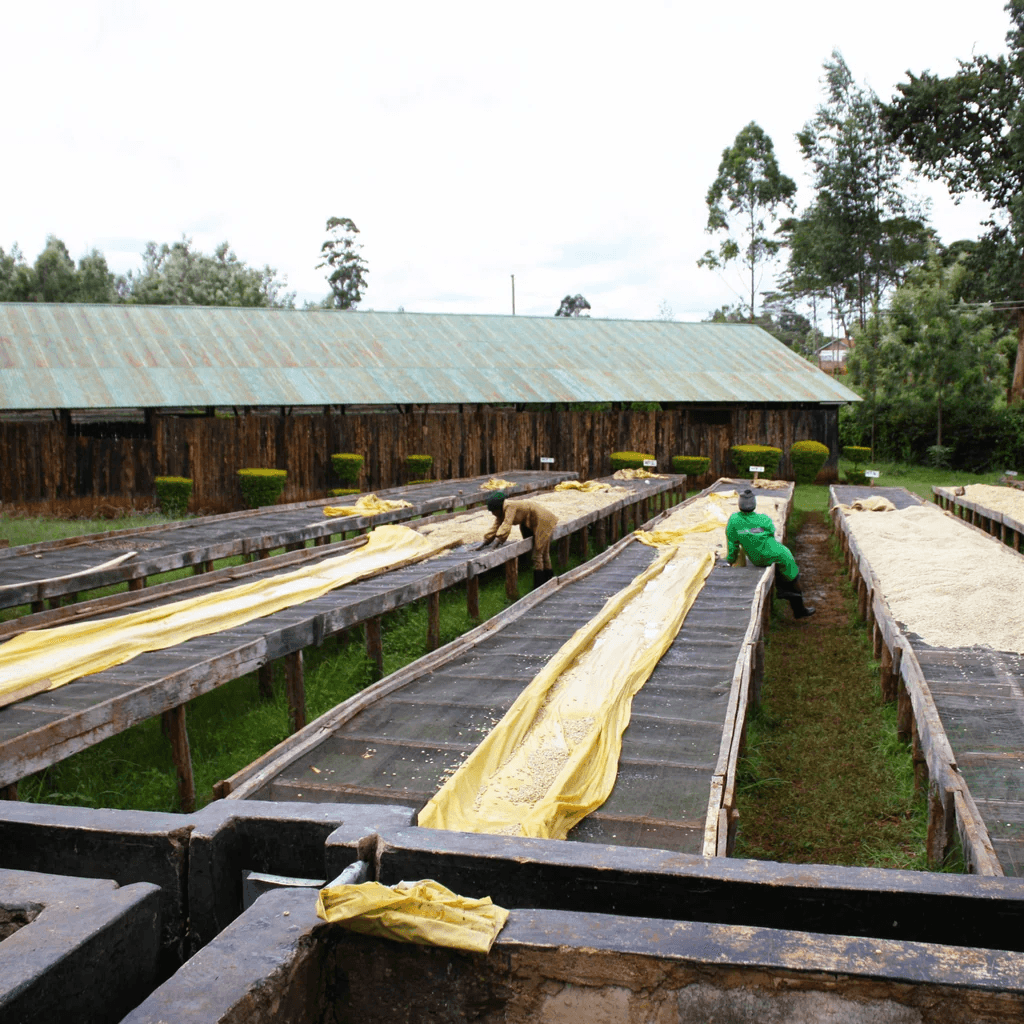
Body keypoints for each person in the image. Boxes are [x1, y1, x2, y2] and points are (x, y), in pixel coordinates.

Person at [725, 488, 814, 619]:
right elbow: (771, 533)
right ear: (754, 504)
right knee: (792, 573)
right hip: (776, 552)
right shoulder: (763, 519)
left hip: (756, 558)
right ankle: (798, 608)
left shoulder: (734, 520)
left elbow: (732, 544)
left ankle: (783, 589)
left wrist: (730, 559)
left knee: (781, 567)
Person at [478, 491, 558, 587]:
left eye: (493, 511)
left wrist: (496, 544)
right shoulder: (502, 511)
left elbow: (506, 524)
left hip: (542, 521)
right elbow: (496, 526)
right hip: (533, 521)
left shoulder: (509, 506)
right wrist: (485, 542)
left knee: (538, 554)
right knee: (543, 553)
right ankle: (548, 581)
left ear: (498, 508)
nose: (492, 514)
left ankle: (540, 585)